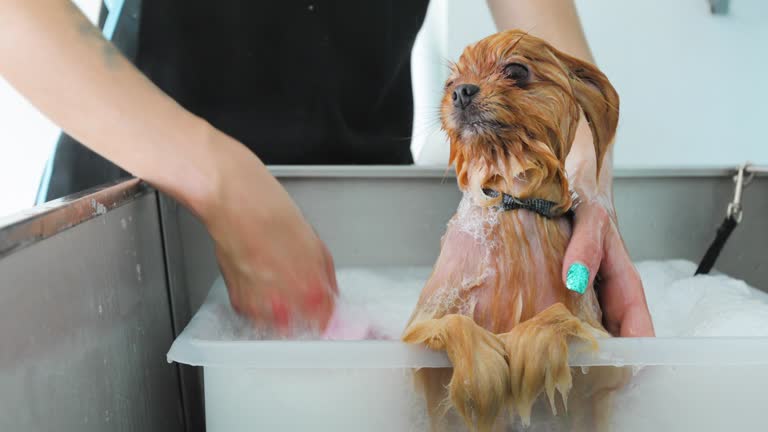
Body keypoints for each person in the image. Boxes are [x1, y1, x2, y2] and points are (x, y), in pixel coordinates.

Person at [0, 0, 653, 336]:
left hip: (359, 230)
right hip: (133, 217)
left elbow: (564, 72)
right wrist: (216, 176)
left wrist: (585, 188)